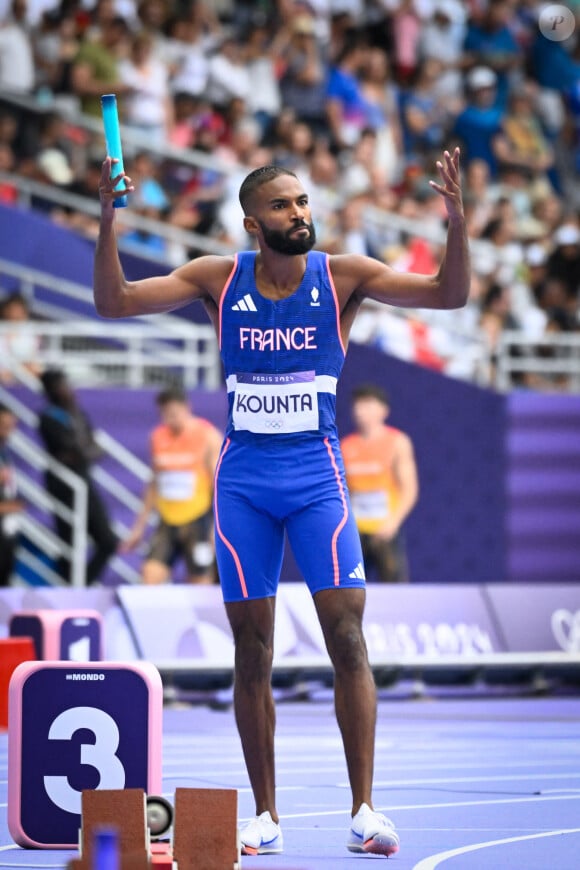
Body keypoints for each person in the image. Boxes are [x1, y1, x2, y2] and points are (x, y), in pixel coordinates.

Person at [93, 148, 469, 857]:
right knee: (252, 651)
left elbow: (447, 296)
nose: (299, 214)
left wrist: (456, 222)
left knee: (348, 639)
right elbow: (114, 303)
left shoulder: (343, 277)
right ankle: (265, 816)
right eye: (283, 206)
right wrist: (107, 222)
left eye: (302, 202)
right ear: (251, 222)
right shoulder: (219, 278)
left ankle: (363, 810)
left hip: (316, 478)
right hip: (243, 485)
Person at [122, 386, 222, 585]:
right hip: (167, 521)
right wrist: (139, 527)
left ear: (187, 408)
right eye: (165, 415)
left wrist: (216, 527)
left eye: (174, 414)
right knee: (149, 575)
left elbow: (219, 485)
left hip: (198, 521)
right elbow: (154, 482)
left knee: (200, 583)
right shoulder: (157, 437)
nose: (170, 419)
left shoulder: (207, 436)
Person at [38, 368, 118, 585]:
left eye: (67, 383)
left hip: (84, 481)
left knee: (108, 540)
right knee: (69, 542)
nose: (68, 389)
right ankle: (70, 588)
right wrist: (84, 451)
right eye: (61, 386)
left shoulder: (78, 413)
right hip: (63, 486)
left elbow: (89, 450)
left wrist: (83, 451)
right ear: (51, 390)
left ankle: (82, 585)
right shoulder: (48, 417)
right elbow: (81, 450)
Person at [341, 384, 419, 583]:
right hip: (356, 533)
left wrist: (393, 523)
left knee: (395, 591)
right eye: (356, 405)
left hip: (386, 530)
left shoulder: (397, 442)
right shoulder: (346, 446)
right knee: (352, 589)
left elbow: (409, 489)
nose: (359, 410)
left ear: (383, 410)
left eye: (367, 405)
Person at [0, 403, 24, 586]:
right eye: (4, 426)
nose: (9, 431)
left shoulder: (4, 452)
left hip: (7, 528)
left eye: (12, 426)